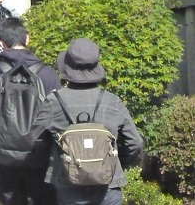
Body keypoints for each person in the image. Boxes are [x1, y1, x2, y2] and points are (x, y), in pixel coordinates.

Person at [33, 38, 143, 205]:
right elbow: (135, 142)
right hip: (108, 185)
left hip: (67, 183)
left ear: (67, 68)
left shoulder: (53, 102)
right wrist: (113, 162)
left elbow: (35, 140)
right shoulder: (112, 101)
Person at [0, 18, 61, 205]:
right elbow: (58, 113)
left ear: (1, 43)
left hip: (4, 155)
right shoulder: (46, 72)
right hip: (40, 151)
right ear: (27, 39)